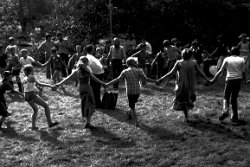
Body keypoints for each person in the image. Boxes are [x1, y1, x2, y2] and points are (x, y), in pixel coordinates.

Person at [158, 48, 210, 122]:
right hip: (189, 85)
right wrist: (208, 80)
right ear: (191, 55)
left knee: (189, 100)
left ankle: (186, 113)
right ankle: (186, 116)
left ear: (182, 55)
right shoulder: (193, 63)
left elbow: (170, 73)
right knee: (186, 101)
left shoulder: (180, 63)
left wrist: (161, 79)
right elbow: (201, 73)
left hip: (182, 85)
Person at [56, 56, 105, 129]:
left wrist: (59, 84)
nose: (87, 63)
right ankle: (88, 122)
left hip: (82, 89)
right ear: (85, 63)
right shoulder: (85, 70)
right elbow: (94, 78)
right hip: (87, 89)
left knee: (87, 104)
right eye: (86, 62)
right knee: (89, 104)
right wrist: (103, 83)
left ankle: (88, 122)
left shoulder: (78, 71)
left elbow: (68, 78)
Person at [106, 57, 157, 126]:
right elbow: (146, 79)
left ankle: (136, 122)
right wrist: (155, 81)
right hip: (137, 91)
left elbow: (117, 79)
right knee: (133, 104)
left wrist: (108, 84)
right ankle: (129, 112)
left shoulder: (125, 71)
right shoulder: (139, 70)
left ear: (127, 64)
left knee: (132, 106)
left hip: (130, 91)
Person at [210, 46, 245, 123]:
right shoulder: (242, 59)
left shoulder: (227, 59)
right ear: (238, 53)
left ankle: (225, 111)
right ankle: (234, 117)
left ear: (231, 52)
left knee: (226, 97)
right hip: (238, 80)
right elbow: (243, 72)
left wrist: (213, 79)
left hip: (229, 80)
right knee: (234, 98)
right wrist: (244, 81)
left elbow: (220, 71)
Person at [23, 65, 59, 130]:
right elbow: (39, 83)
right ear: (30, 71)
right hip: (31, 95)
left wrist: (38, 88)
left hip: (26, 96)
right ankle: (50, 123)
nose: (33, 71)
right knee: (46, 106)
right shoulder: (31, 76)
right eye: (32, 70)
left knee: (35, 110)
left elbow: (31, 85)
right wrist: (50, 86)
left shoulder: (25, 77)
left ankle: (33, 127)